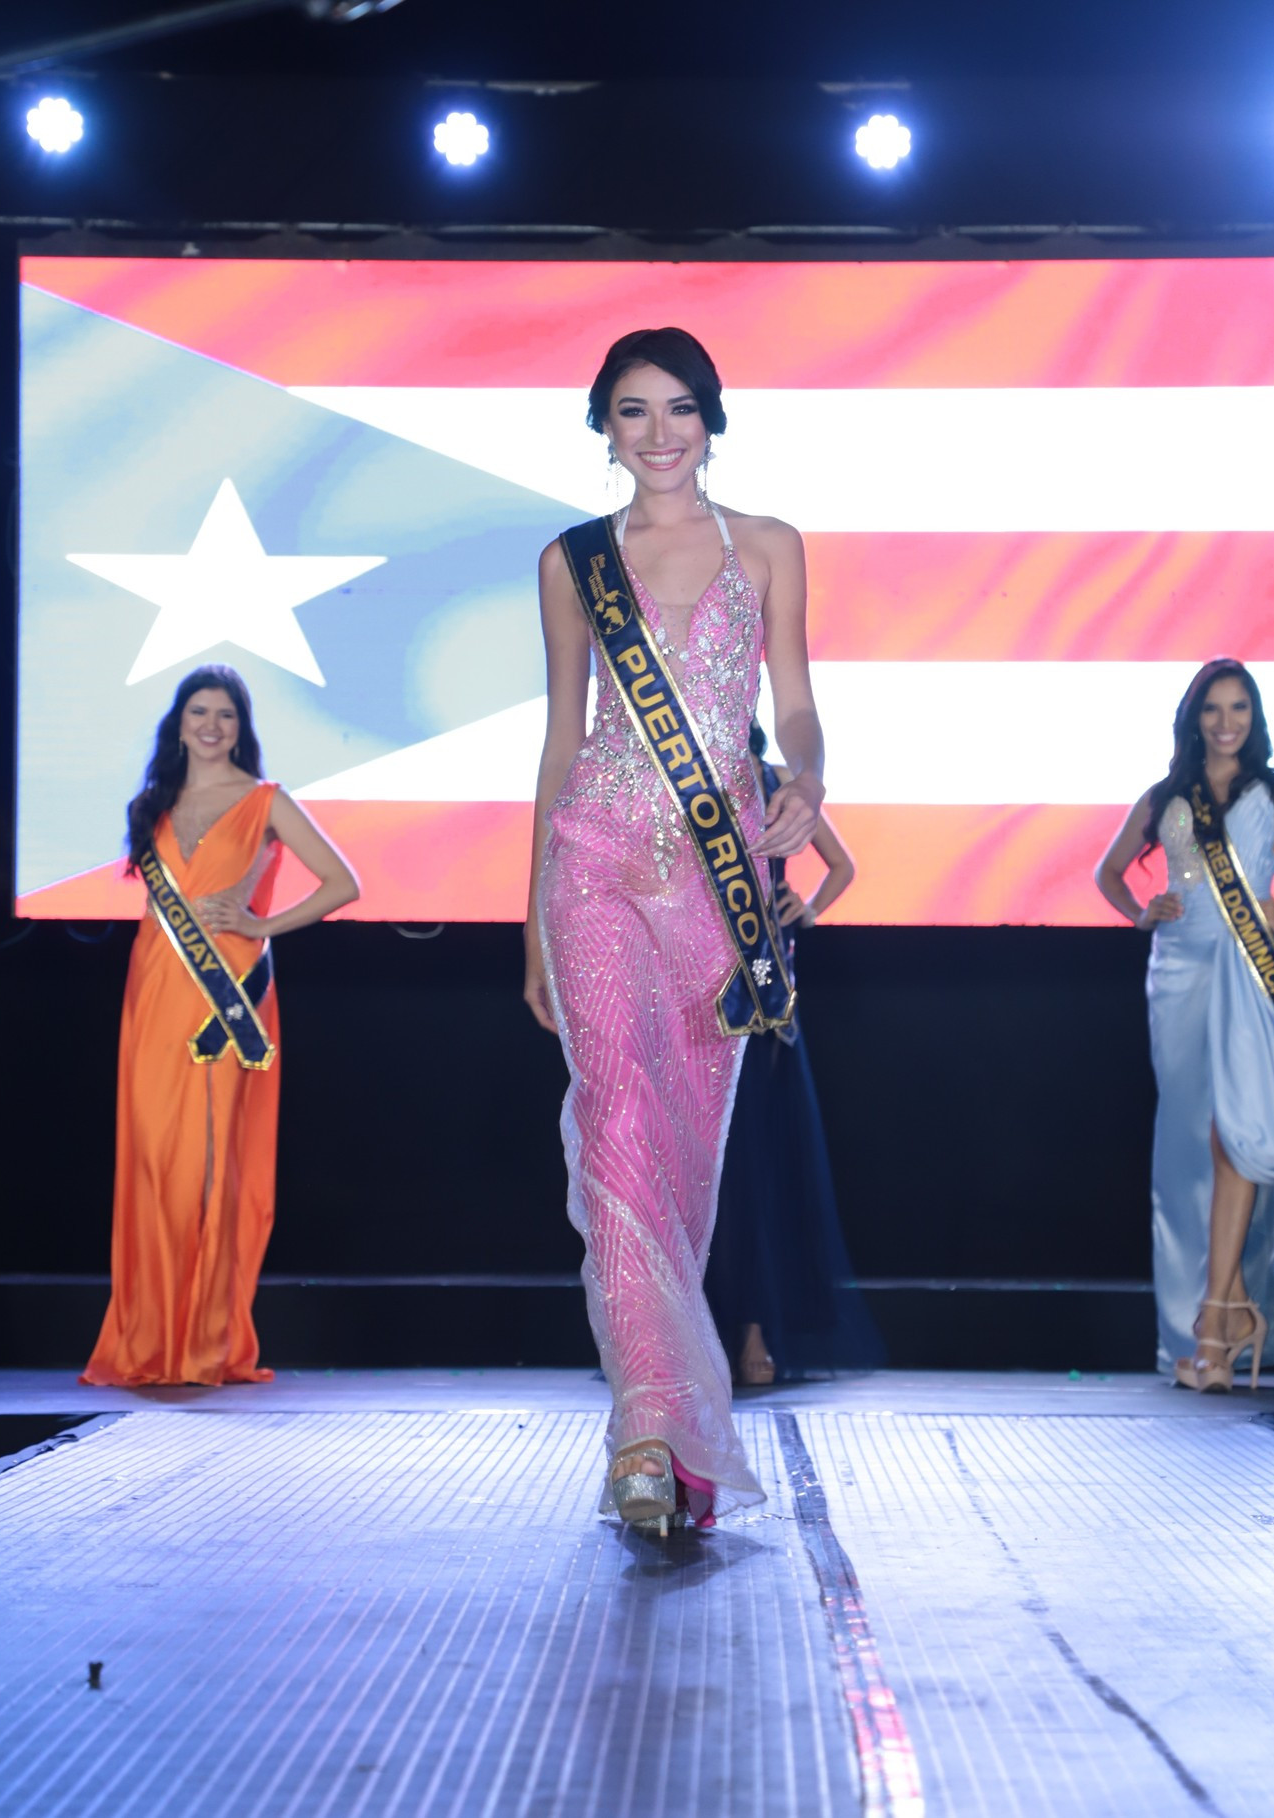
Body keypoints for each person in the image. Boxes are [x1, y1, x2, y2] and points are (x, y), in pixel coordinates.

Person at [524, 327, 826, 1528]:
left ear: (713, 418)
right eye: (634, 412)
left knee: (684, 1164)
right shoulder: (573, 561)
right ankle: (643, 1436)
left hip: (719, 883)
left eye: (681, 409)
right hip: (593, 860)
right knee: (617, 1124)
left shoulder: (770, 548)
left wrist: (804, 776)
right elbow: (559, 739)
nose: (659, 434)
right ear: (605, 426)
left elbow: (794, 705)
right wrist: (531, 927)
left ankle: (680, 1437)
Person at [82, 664, 359, 1387]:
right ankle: (148, 1340)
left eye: (226, 714)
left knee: (209, 1167)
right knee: (153, 1162)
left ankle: (203, 1343)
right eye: (199, 711)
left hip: (228, 1000)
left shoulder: (265, 801)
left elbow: (342, 882)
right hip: (153, 995)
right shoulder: (154, 804)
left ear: (242, 727)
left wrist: (264, 921)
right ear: (178, 724)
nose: (212, 725)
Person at [1095, 657, 1274, 1390]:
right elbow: (1108, 872)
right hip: (1178, 974)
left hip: (1252, 972)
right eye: (1212, 710)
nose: (1227, 723)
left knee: (1239, 1133)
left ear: (1255, 718)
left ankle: (1218, 1317)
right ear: (1193, 719)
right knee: (1190, 1149)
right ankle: (1214, 1324)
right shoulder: (1167, 797)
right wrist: (1140, 913)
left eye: (1239, 709)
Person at [705, 720, 874, 1386]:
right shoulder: (685, 783)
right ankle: (688, 1335)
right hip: (695, 991)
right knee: (702, 1172)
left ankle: (752, 1330)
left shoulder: (778, 783)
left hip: (763, 995)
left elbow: (843, 865)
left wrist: (804, 910)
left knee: (757, 1166)